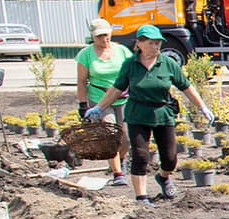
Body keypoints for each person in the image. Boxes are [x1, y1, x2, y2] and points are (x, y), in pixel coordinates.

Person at [83, 26, 216, 204]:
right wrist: (99, 108)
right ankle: (141, 197)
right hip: (138, 114)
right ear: (140, 44)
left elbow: (186, 87)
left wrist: (202, 107)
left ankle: (163, 177)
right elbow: (117, 89)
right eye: (151, 43)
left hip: (163, 113)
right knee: (140, 155)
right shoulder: (130, 65)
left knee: (170, 159)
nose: (156, 47)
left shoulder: (168, 63)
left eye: (158, 43)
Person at [76, 18, 129, 184]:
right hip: (100, 100)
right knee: (110, 134)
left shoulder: (122, 51)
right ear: (93, 36)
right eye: (99, 36)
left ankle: (121, 159)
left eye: (106, 35)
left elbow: (133, 72)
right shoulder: (85, 55)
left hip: (123, 99)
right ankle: (118, 174)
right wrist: (83, 105)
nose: (104, 39)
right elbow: (82, 81)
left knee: (126, 138)